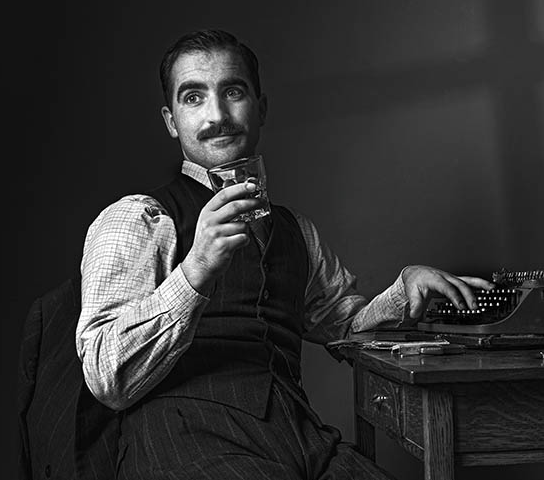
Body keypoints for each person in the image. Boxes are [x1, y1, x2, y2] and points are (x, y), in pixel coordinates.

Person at [76, 29, 494, 480]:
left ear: (261, 107)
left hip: (301, 439)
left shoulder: (296, 231)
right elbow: (106, 377)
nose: (217, 115)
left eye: (232, 92)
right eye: (193, 98)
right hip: (187, 442)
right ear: (171, 121)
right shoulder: (139, 218)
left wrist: (403, 290)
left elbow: (346, 330)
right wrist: (194, 272)